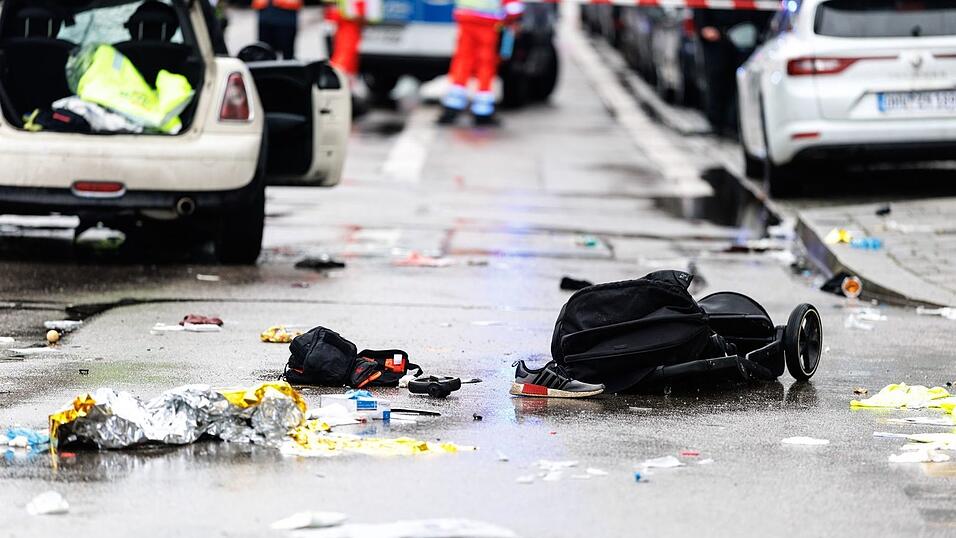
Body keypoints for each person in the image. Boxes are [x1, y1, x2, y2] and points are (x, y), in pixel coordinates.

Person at [438, 0, 524, 126]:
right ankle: (482, 109)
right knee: (486, 64)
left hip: (465, 17)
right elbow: (513, 7)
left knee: (462, 61)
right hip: (488, 22)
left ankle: (452, 105)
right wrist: (514, 18)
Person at [693, 8, 772, 136]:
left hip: (745, 35)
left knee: (740, 82)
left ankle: (734, 123)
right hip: (717, 35)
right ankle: (717, 122)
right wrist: (703, 26)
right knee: (717, 79)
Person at [326, 0, 382, 109]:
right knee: (344, 59)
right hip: (347, 26)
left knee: (347, 58)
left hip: (349, 26)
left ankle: (342, 89)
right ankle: (337, 88)